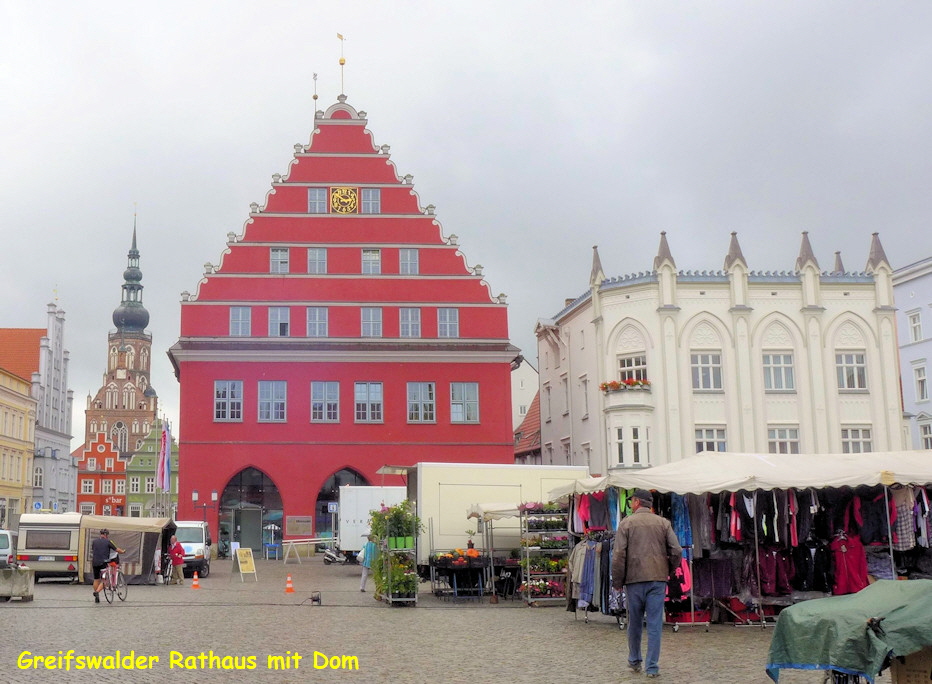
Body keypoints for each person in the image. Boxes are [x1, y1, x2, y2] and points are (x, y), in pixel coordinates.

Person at [611, 489, 682, 678]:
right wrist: (668, 569)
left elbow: (618, 555)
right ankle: (652, 666)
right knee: (654, 623)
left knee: (634, 622)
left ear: (636, 502)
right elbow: (676, 550)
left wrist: (617, 580)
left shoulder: (626, 524)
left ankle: (635, 660)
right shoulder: (663, 523)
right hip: (657, 579)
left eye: (631, 501)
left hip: (634, 579)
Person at [91, 529, 125, 603]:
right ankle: (97, 592)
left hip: (95, 562)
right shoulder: (108, 541)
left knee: (96, 579)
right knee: (105, 580)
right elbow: (117, 549)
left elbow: (94, 549)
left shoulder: (94, 541)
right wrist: (123, 551)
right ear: (106, 535)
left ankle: (97, 596)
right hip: (103, 562)